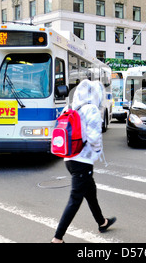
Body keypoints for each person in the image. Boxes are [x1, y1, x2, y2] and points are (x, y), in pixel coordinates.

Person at [51, 80, 116, 243]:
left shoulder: (71, 108)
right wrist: (98, 152)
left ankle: (102, 222)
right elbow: (94, 138)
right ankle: (57, 238)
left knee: (90, 191)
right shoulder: (91, 109)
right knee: (75, 199)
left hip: (69, 158)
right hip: (82, 161)